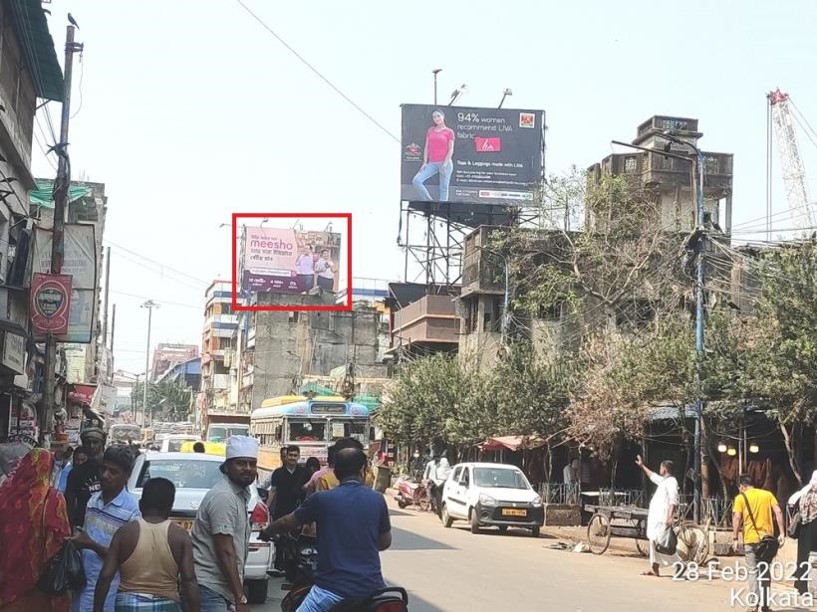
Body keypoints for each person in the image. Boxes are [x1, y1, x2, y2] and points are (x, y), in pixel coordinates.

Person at [262, 448, 392, 611]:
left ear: (336, 472)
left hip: (331, 589)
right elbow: (384, 542)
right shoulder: (377, 499)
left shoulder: (322, 499)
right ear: (363, 470)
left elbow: (286, 523)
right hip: (373, 589)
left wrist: (266, 532)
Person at [93, 478, 200, 612]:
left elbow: (106, 575)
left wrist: (97, 609)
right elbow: (189, 580)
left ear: (141, 504)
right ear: (169, 507)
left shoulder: (125, 533)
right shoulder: (180, 536)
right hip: (167, 604)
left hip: (128, 604)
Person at [191, 436, 258, 612]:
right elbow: (225, 551)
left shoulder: (239, 495)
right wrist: (240, 597)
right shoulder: (224, 497)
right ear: (227, 466)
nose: (248, 469)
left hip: (219, 589)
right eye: (241, 463)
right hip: (210, 588)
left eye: (252, 464)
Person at [0, 448, 71, 612]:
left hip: (8, 575)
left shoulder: (6, 496)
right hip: (40, 582)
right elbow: (61, 538)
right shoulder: (53, 498)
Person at [72, 445, 141, 612]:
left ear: (127, 476)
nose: (105, 475)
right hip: (82, 585)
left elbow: (127, 561)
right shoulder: (93, 501)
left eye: (113, 472)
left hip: (108, 592)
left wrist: (91, 544)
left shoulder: (132, 512)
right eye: (103, 469)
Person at [733, 473, 786, 612]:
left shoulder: (740, 498)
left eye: (739, 487)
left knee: (753, 571)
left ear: (743, 486)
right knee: (765, 572)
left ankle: (753, 605)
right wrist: (782, 533)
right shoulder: (767, 495)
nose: (739, 490)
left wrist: (735, 538)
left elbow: (737, 518)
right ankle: (765, 605)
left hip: (750, 540)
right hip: (767, 541)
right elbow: (778, 512)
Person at [265, 446, 310, 574]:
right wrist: (267, 507)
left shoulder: (305, 473)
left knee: (296, 540)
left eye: (295, 455)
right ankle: (279, 566)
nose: (292, 458)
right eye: (290, 455)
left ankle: (294, 569)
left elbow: (309, 491)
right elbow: (273, 490)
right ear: (286, 456)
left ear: (298, 457)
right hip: (281, 509)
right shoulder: (278, 473)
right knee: (280, 539)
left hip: (298, 510)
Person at [635, 455, 681, 576]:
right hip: (656, 518)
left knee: (660, 543)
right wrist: (642, 466)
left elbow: (673, 500)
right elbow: (652, 476)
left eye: (661, 468)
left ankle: (679, 565)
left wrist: (669, 516)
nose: (659, 470)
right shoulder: (664, 481)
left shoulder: (672, 482)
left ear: (664, 469)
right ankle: (654, 567)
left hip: (662, 518)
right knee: (653, 541)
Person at [66, 427, 107, 527]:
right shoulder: (76, 473)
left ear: (102, 444)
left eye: (95, 442)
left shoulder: (111, 470)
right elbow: (69, 504)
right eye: (88, 443)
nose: (91, 446)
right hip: (83, 525)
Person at [412, 109, 455, 202]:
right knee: (416, 181)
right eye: (434, 117)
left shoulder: (449, 132)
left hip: (445, 163)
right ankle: (430, 202)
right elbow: (426, 147)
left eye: (438, 116)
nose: (436, 118)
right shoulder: (430, 130)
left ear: (443, 116)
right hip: (432, 163)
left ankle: (441, 209)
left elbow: (451, 149)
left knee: (443, 188)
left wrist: (444, 164)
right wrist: (424, 162)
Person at [788, 470, 817, 595]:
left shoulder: (804, 492)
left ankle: (802, 585)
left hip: (805, 530)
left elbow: (790, 503)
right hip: (813, 529)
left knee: (804, 557)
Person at [423, 451, 452, 516]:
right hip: (432, 482)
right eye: (435, 458)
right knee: (431, 495)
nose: (437, 459)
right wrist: (425, 479)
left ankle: (439, 508)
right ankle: (433, 507)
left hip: (442, 483)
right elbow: (426, 473)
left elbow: (448, 471)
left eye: (438, 458)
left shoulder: (444, 463)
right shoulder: (430, 464)